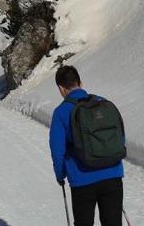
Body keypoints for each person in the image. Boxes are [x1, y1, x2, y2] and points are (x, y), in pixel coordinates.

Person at [49, 65, 124, 226]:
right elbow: (119, 136)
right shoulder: (102, 103)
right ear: (80, 83)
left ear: (61, 89)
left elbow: (57, 150)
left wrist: (60, 175)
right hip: (113, 174)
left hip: (82, 178)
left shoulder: (61, 112)